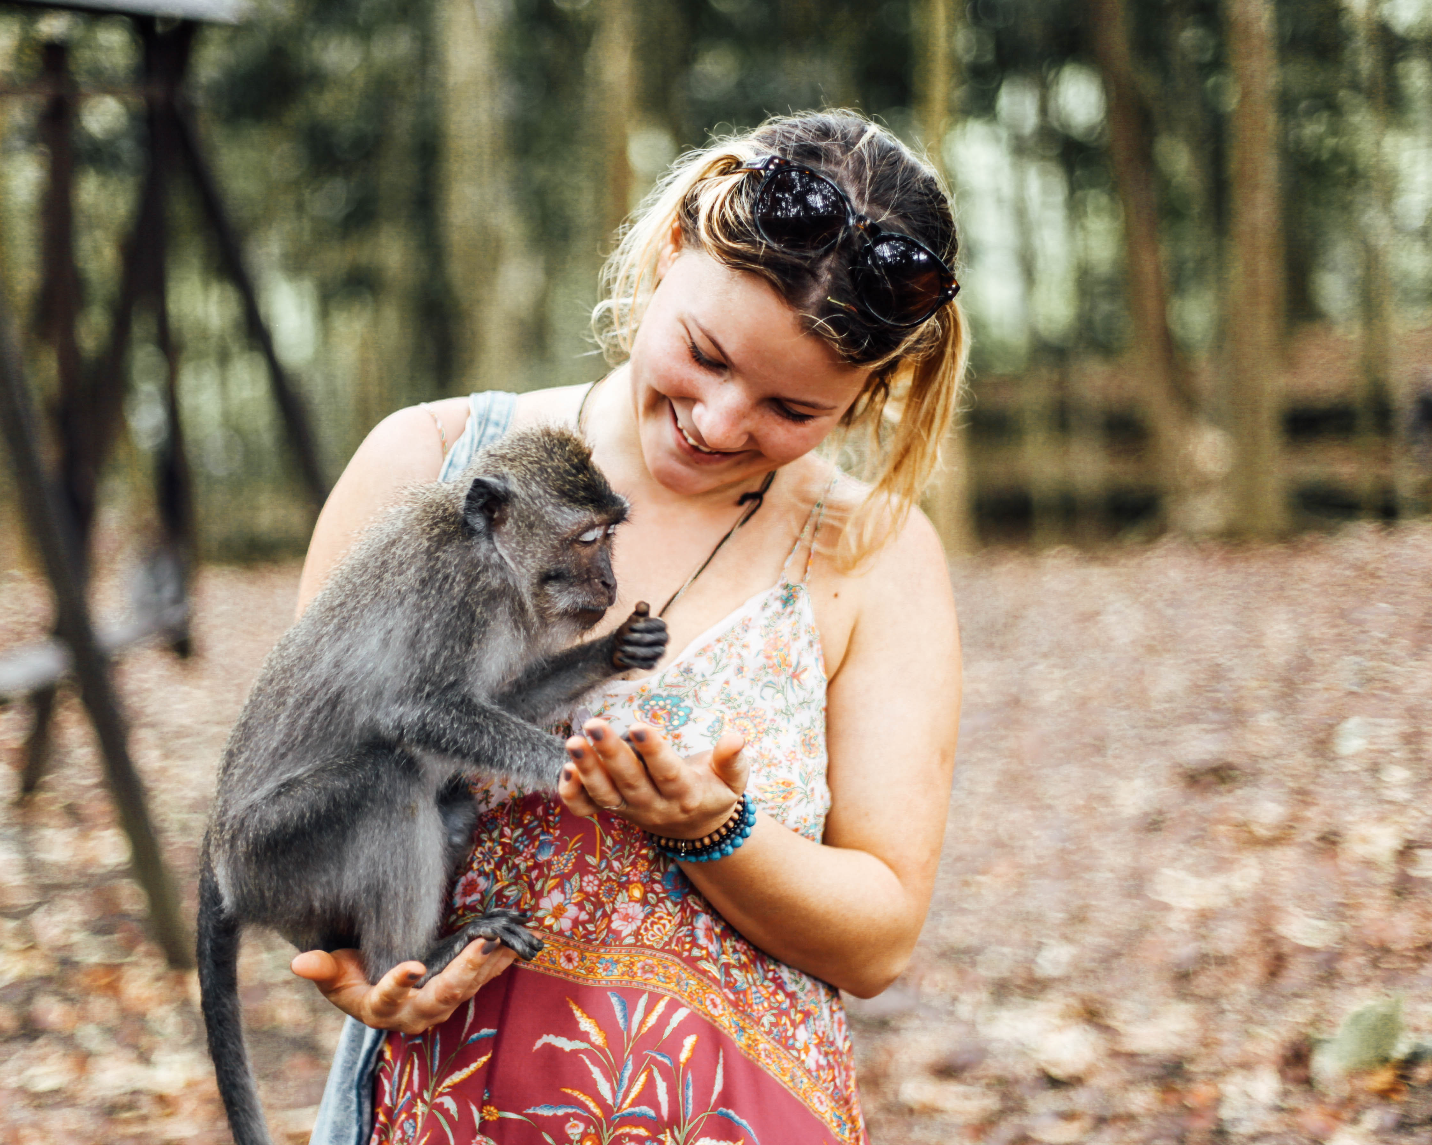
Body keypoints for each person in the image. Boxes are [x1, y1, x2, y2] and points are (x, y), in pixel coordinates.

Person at [291, 109, 965, 1145]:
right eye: (704, 353)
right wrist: (352, 949)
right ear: (672, 247)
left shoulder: (875, 554)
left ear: (868, 392)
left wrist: (713, 829)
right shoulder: (421, 468)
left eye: (793, 410)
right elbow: (298, 810)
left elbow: (877, 938)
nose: (722, 422)